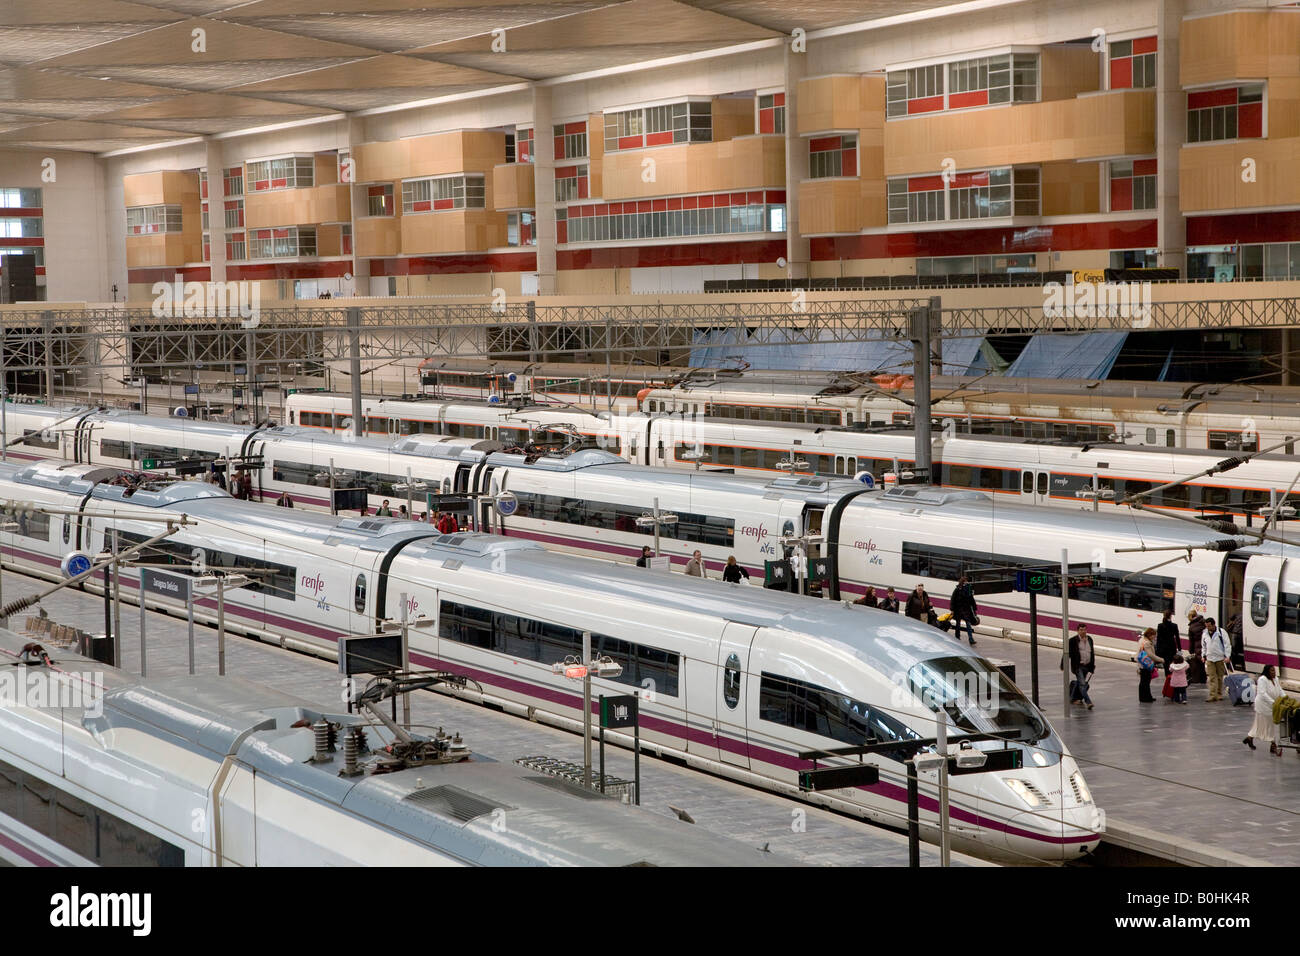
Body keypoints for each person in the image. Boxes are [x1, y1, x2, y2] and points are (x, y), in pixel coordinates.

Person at [1244, 664, 1287, 755]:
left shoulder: (1275, 679)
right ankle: (1273, 744)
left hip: (1272, 706)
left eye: (1274, 670)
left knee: (1259, 724)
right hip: (1263, 706)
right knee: (1272, 726)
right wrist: (1273, 702)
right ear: (1267, 671)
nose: (1274, 672)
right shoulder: (1262, 679)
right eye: (1272, 671)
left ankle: (1249, 737)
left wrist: (1285, 698)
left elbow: (1280, 690)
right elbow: (1262, 694)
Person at [1201, 616, 1233, 702]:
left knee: (1219, 677)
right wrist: (1203, 655)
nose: (1207, 628)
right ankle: (1212, 695)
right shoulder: (1205, 633)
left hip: (1220, 658)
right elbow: (1203, 646)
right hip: (1210, 658)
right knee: (1212, 677)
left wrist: (1227, 656)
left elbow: (1227, 645)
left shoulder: (1222, 632)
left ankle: (1219, 694)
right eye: (1206, 626)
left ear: (1213, 625)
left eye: (1209, 626)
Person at [1068, 623, 1096, 710]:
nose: (1083, 631)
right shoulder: (1073, 640)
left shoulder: (1090, 639)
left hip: (1087, 666)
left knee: (1080, 683)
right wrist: (1063, 664)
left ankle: (1073, 698)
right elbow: (1067, 653)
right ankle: (1088, 702)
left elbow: (1092, 653)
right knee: (1083, 684)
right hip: (1078, 666)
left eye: (1084, 630)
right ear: (1077, 631)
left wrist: (1092, 666)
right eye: (1081, 630)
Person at [1135, 627, 1162, 703]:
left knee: (1144, 681)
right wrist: (1161, 660)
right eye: (1154, 635)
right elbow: (1151, 655)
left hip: (1142, 663)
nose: (1155, 637)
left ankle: (1147, 697)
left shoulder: (1142, 640)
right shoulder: (1147, 642)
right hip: (1146, 664)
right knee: (1145, 682)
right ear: (1150, 635)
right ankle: (1145, 698)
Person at [949, 575, 978, 646]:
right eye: (965, 582)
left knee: (966, 624)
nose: (966, 583)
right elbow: (953, 599)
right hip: (959, 609)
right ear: (962, 582)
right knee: (959, 624)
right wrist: (952, 609)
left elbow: (972, 600)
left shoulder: (967, 590)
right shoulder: (957, 589)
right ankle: (958, 637)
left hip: (964, 609)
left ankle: (970, 639)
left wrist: (974, 608)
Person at [1155, 609, 1181, 676]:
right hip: (1172, 648)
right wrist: (1179, 648)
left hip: (1163, 649)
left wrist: (1157, 651)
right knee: (1172, 664)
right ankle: (1171, 677)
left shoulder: (1160, 626)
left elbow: (1158, 639)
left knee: (1166, 665)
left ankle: (1167, 677)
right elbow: (1177, 638)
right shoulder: (1174, 626)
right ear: (1170, 616)